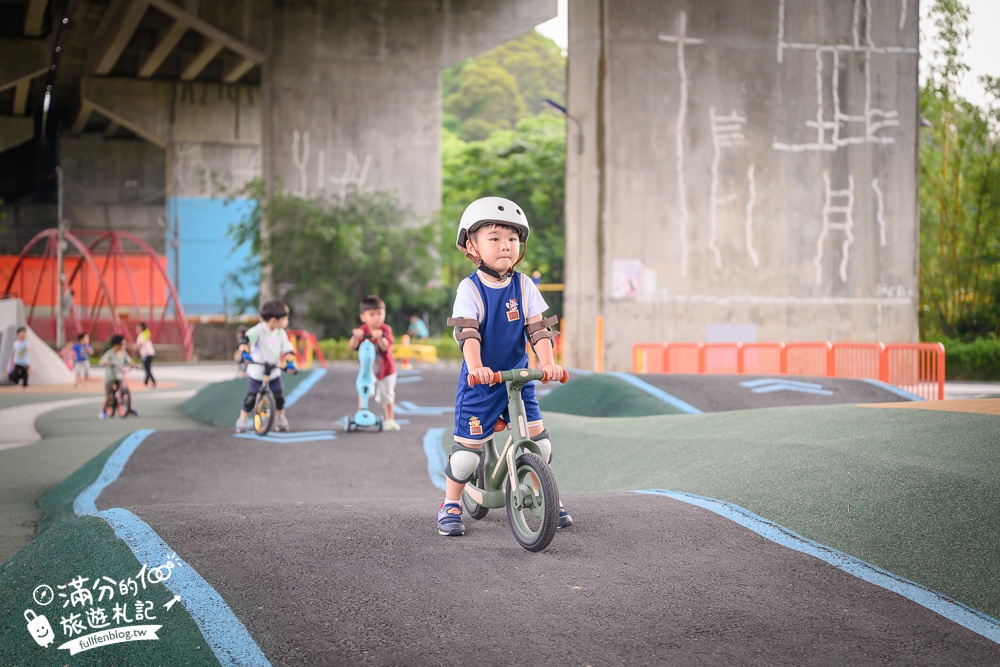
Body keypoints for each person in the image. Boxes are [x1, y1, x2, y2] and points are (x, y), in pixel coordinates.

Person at [437, 196, 571, 537]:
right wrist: (476, 367)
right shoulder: (470, 288)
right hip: (482, 382)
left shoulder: (524, 285)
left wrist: (549, 363)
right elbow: (468, 334)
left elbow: (538, 329)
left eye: (512, 238)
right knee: (467, 455)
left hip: (519, 378)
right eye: (494, 238)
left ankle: (544, 495)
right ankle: (451, 503)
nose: (505, 245)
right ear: (472, 246)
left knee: (541, 445)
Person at [234, 301, 297, 433]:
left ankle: (280, 418)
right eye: (285, 319)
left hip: (273, 371)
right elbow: (245, 341)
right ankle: (243, 419)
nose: (287, 321)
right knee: (251, 397)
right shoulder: (258, 330)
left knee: (279, 397)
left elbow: (287, 349)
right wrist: (245, 353)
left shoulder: (281, 333)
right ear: (274, 321)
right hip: (257, 370)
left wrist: (289, 362)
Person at [348, 294, 400, 431]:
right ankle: (361, 414)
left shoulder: (385, 329)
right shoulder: (362, 330)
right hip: (367, 369)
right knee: (364, 388)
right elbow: (353, 346)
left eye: (379, 313)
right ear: (363, 317)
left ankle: (390, 419)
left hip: (386, 369)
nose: (376, 317)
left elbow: (385, 346)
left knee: (387, 394)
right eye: (372, 314)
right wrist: (355, 336)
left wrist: (380, 337)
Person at [99, 334, 139, 418]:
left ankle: (130, 407)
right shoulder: (110, 353)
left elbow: (129, 361)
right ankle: (102, 411)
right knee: (109, 395)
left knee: (127, 391)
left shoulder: (123, 353)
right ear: (116, 345)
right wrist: (108, 363)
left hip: (119, 376)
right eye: (122, 344)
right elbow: (101, 362)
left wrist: (135, 365)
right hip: (110, 377)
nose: (123, 346)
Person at [7, 326, 30, 390]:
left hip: (25, 362)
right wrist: (12, 361)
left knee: (25, 374)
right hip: (17, 361)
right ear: (18, 334)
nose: (23, 334)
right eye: (21, 332)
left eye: (24, 332)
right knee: (15, 374)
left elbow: (29, 349)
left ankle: (25, 386)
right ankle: (16, 384)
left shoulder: (26, 342)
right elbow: (13, 352)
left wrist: (26, 349)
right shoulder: (15, 343)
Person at [134, 322, 156, 387]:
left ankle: (146, 382)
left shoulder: (142, 335)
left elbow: (140, 344)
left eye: (137, 328)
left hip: (147, 354)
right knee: (147, 368)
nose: (136, 330)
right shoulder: (144, 335)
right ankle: (151, 381)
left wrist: (134, 347)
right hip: (149, 353)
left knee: (147, 368)